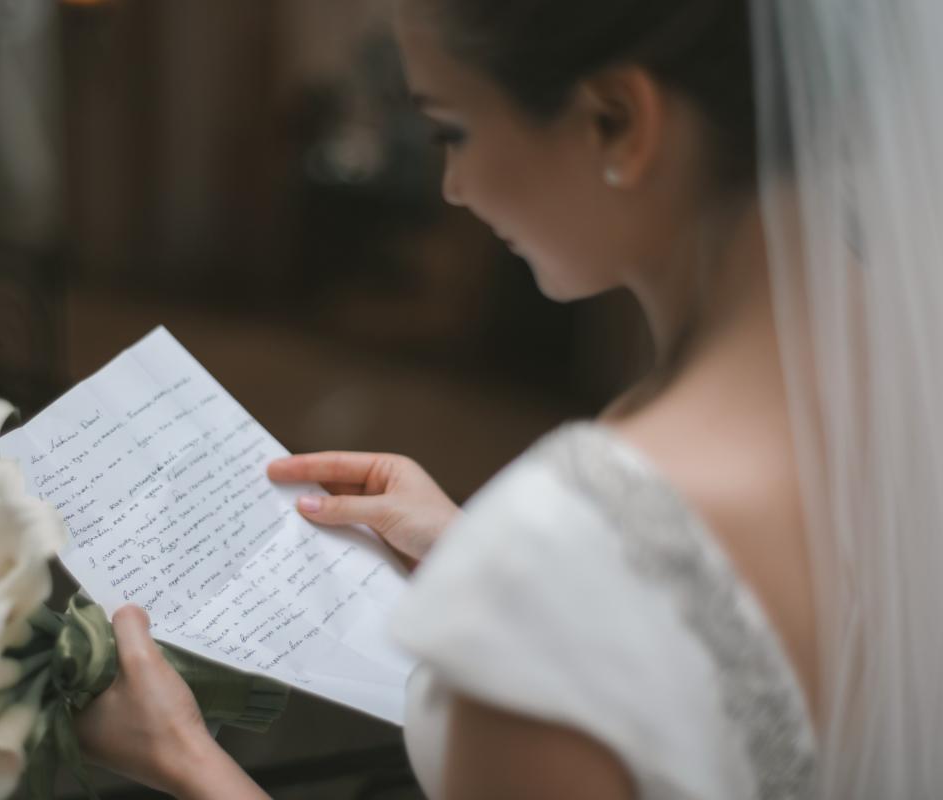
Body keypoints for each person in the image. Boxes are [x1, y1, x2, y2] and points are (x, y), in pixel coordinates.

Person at [76, 0, 943, 797]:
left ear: (617, 121)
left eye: (452, 129)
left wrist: (183, 758)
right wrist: (478, 553)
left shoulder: (555, 551)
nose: (451, 187)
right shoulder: (905, 336)